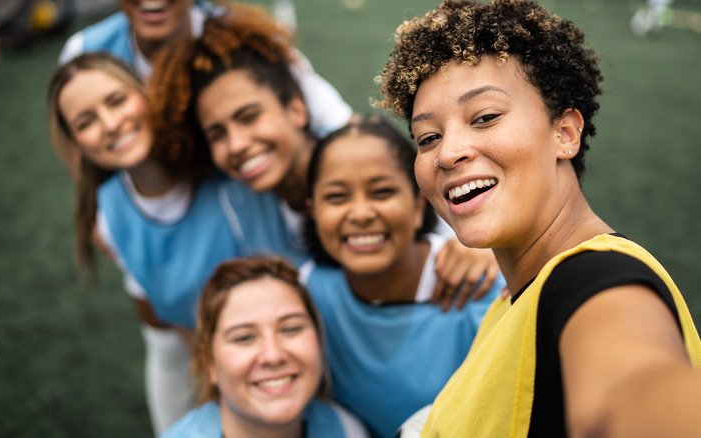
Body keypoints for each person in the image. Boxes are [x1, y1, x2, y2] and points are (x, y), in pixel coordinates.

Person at [375, 1, 701, 437]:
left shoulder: (596, 281)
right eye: (428, 137)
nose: (448, 152)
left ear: (565, 133)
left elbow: (636, 389)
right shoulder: (513, 298)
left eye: (485, 117)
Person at [151, 4, 502, 308]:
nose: (238, 143)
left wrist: (478, 247)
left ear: (297, 109)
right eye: (218, 134)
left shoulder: (360, 153)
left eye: (249, 117)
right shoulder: (241, 203)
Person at [46, 52, 281, 434]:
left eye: (117, 100)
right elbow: (158, 318)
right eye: (85, 122)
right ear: (76, 143)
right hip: (216, 372)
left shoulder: (226, 161)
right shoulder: (109, 218)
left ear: (147, 92)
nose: (109, 124)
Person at [300, 116, 504, 438]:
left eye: (382, 192)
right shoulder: (308, 295)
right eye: (337, 197)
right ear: (313, 212)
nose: (361, 213)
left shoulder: (482, 288)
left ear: (417, 205)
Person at [57, 0, 352, 138]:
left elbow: (338, 122)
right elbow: (76, 142)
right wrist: (96, 206)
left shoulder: (247, 39)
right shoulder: (84, 54)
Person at [160, 255, 370, 438]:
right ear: (210, 362)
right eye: (243, 338)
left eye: (291, 329)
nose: (273, 355)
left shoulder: (346, 429)